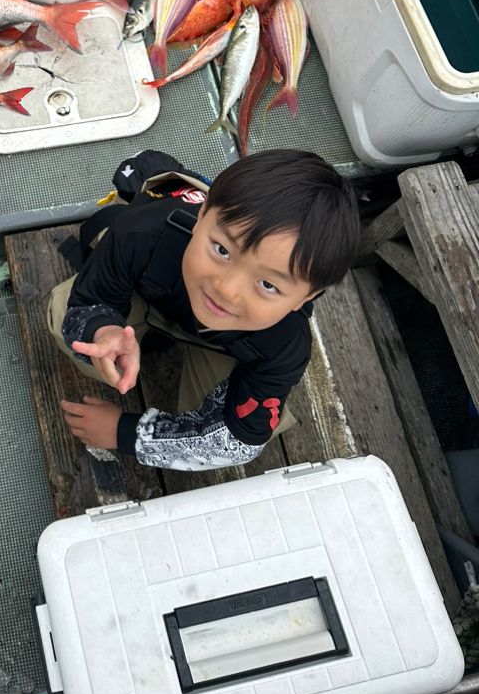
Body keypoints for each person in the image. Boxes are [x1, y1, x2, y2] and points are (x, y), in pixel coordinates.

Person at [45, 148, 361, 471]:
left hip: (219, 337)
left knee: (234, 420)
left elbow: (238, 440)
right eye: (222, 249)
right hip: (150, 290)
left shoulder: (286, 344)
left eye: (268, 285)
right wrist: (103, 329)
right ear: (202, 215)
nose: (226, 289)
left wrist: (125, 433)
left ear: (306, 299)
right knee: (63, 318)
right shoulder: (143, 233)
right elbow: (88, 303)